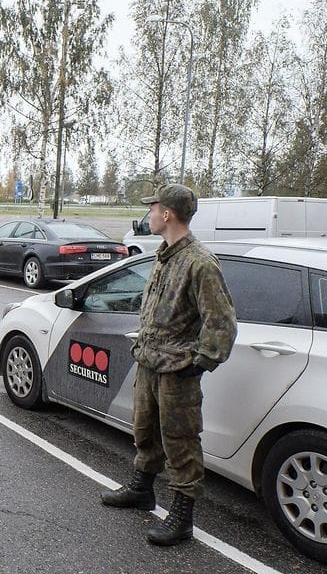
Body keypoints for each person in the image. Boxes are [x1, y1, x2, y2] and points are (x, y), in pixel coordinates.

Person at [99, 183, 237, 547]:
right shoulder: (165, 254)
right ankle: (142, 489)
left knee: (180, 442)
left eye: (153, 207)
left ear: (167, 214)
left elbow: (222, 322)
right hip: (150, 362)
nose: (149, 213)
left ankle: (182, 518)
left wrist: (199, 363)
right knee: (144, 431)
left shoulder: (199, 262)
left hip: (177, 370)